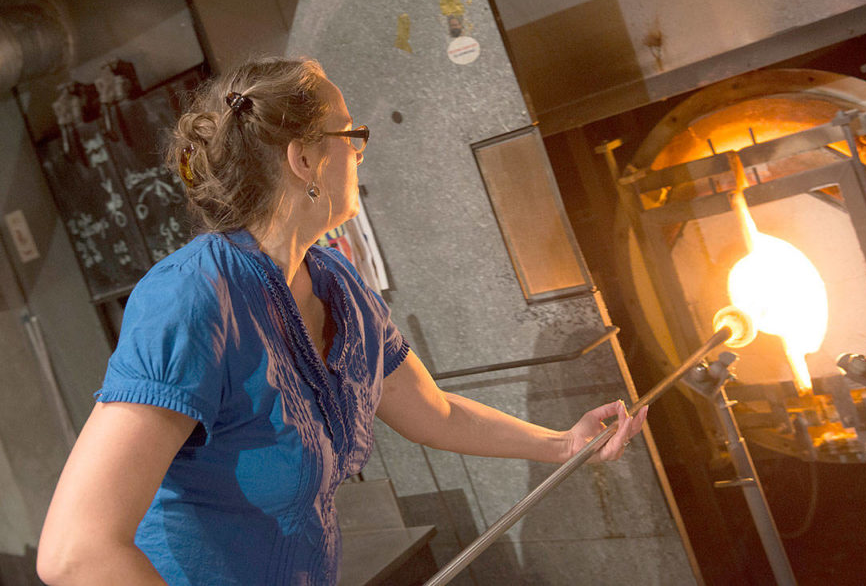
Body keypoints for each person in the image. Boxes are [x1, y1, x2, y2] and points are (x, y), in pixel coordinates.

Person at [36, 57, 647, 585]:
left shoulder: (335, 281)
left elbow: (434, 413)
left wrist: (564, 445)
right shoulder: (193, 299)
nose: (357, 152)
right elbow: (75, 552)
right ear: (304, 158)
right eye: (350, 135)